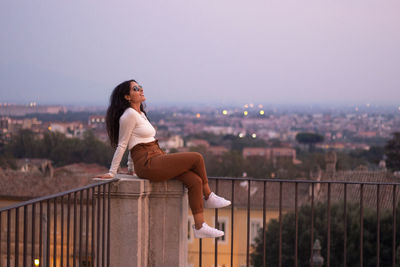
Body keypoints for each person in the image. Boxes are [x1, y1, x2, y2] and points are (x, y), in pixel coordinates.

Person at [96, 79, 231, 238]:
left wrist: (131, 169)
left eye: (140, 87)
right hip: (148, 163)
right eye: (136, 88)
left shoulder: (140, 114)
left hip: (156, 156)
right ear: (127, 96)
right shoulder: (129, 115)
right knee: (197, 158)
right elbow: (123, 144)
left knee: (195, 181)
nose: (141, 90)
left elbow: (136, 140)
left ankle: (200, 226)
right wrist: (112, 172)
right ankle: (208, 196)